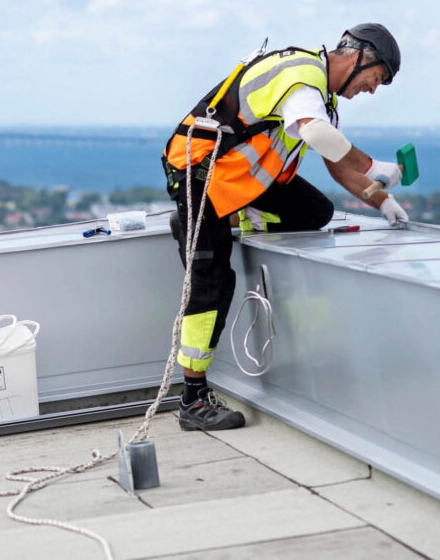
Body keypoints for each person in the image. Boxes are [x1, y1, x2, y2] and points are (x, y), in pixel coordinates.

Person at [161, 23, 408, 431]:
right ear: (358, 56)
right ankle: (193, 398)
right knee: (213, 281)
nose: (373, 89)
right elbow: (317, 135)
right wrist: (373, 166)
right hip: (199, 174)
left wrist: (382, 199)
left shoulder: (320, 97)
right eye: (376, 77)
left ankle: (228, 218)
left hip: (240, 182)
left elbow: (334, 160)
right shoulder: (301, 77)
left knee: (314, 211)